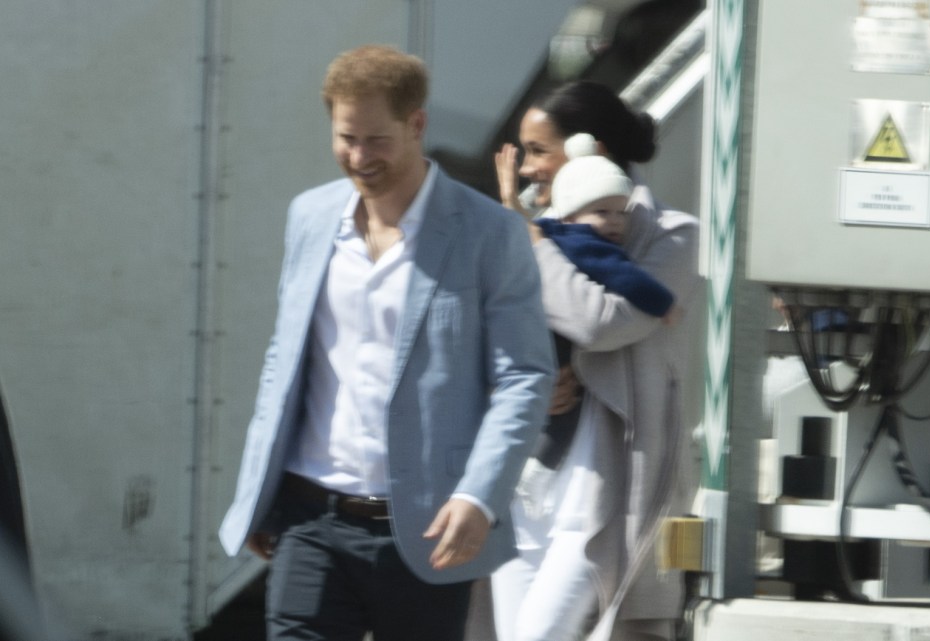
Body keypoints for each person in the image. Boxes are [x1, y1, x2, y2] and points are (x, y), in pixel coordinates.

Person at [218, 45, 556, 641]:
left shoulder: (487, 233)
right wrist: (258, 490)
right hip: (309, 515)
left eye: (375, 139)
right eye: (346, 138)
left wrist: (480, 495)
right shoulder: (310, 216)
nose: (358, 156)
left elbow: (523, 376)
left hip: (428, 528)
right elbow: (284, 359)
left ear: (416, 124)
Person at [490, 81, 702, 641]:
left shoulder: (672, 236)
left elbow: (600, 322)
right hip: (526, 481)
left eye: (540, 150)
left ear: (590, 151)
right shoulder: (526, 231)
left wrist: (530, 241)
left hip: (602, 497)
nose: (530, 168)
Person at [517, 132, 677, 518]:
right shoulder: (589, 244)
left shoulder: (549, 233)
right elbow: (624, 279)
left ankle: (532, 468)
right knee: (564, 411)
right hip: (557, 346)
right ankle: (538, 468)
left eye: (620, 212)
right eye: (602, 212)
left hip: (534, 340)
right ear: (572, 212)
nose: (615, 223)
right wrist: (664, 302)